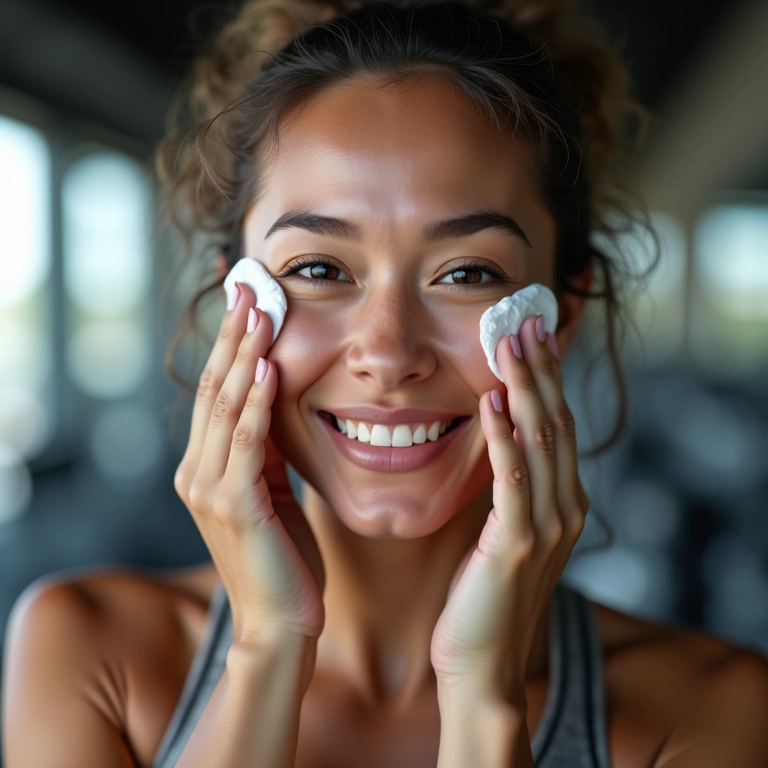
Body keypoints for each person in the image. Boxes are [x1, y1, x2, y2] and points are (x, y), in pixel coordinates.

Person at [3, 0, 768, 766]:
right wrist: (268, 649)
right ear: (236, 304)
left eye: (467, 274)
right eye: (318, 269)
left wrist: (482, 692)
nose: (388, 351)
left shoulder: (708, 712)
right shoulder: (86, 654)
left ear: (562, 317)